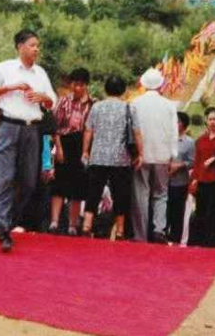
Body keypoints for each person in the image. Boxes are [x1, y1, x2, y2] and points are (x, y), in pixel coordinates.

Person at [0, 29, 56, 253]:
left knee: (29, 182)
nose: (36, 49)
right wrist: (10, 87)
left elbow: (52, 101)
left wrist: (42, 97)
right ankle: (3, 227)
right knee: (4, 177)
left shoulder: (40, 73)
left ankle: (7, 219)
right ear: (20, 46)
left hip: (32, 129)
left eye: (38, 45)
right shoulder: (4, 68)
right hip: (8, 126)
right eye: (32, 45)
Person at [81, 74, 138, 239]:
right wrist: (140, 153)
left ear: (106, 89)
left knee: (93, 192)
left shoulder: (97, 107)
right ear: (123, 90)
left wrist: (85, 151)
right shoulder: (129, 108)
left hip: (98, 156)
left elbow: (88, 130)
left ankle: (86, 226)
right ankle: (120, 231)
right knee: (120, 194)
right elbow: (136, 133)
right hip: (121, 158)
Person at [130, 67, 177, 243]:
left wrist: (133, 153)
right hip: (162, 155)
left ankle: (140, 234)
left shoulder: (135, 104)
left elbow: (132, 131)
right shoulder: (169, 105)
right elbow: (173, 132)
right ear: (160, 85)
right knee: (161, 194)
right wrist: (172, 155)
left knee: (141, 194)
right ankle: (159, 229)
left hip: (141, 155)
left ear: (143, 84)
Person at [48, 68, 93, 235]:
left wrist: (87, 151)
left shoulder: (93, 104)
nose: (78, 88)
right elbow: (55, 126)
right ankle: (54, 222)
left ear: (86, 85)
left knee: (78, 186)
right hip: (65, 143)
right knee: (59, 184)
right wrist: (58, 148)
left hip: (83, 145)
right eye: (75, 84)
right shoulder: (63, 102)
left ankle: (73, 225)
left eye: (81, 85)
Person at [189, 107, 215, 248]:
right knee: (201, 211)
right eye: (210, 119)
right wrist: (194, 179)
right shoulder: (200, 140)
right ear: (206, 121)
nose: (212, 122)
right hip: (202, 181)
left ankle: (214, 243)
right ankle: (200, 242)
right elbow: (197, 162)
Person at [166, 112, 194, 245]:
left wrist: (180, 165)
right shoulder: (166, 139)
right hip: (164, 181)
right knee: (164, 211)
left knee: (177, 213)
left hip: (180, 182)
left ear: (184, 125)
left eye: (177, 122)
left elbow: (193, 161)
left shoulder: (189, 142)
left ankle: (176, 240)